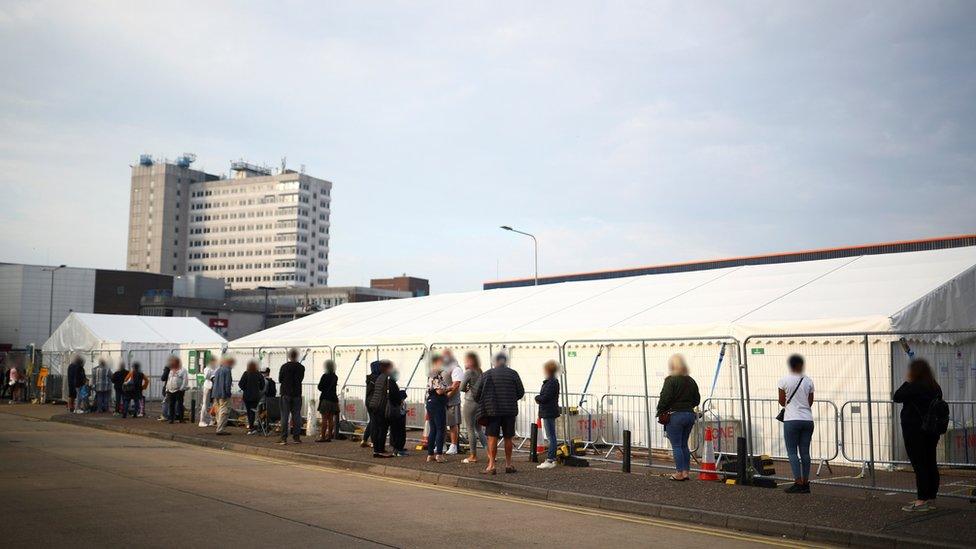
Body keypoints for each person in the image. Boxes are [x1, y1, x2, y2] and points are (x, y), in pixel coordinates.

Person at [893, 358, 944, 512]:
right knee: (930, 462)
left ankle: (922, 500)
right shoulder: (935, 386)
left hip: (915, 431)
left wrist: (908, 381)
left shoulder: (914, 387)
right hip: (931, 430)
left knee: (919, 465)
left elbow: (897, 396)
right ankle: (931, 498)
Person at [473, 352, 525, 475]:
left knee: (492, 438)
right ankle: (508, 464)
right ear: (505, 361)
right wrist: (510, 398)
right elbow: (521, 392)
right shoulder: (513, 374)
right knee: (508, 437)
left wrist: (484, 401)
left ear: (494, 362)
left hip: (492, 411)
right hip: (509, 410)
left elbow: (476, 393)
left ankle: (491, 465)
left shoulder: (487, 374)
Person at [656, 354, 700, 481]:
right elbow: (697, 399)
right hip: (689, 415)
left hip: (675, 415)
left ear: (672, 365)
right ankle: (686, 472)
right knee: (684, 444)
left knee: (676, 445)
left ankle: (679, 473)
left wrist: (660, 410)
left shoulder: (670, 380)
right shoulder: (691, 380)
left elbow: (665, 398)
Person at [778, 354, 815, 493]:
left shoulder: (783, 380)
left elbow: (782, 401)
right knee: (805, 452)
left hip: (791, 419)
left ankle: (798, 482)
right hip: (807, 419)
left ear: (790, 365)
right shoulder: (808, 380)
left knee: (792, 452)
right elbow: (810, 402)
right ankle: (806, 483)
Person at [460, 352, 488, 464]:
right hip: (479, 402)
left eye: (466, 360)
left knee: (470, 428)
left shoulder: (468, 372)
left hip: (470, 401)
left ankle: (473, 455)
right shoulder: (480, 371)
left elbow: (461, 387)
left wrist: (466, 389)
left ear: (470, 361)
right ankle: (490, 454)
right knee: (479, 429)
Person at [535, 360, 561, 470]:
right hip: (549, 411)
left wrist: (537, 398)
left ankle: (551, 459)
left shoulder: (550, 382)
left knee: (551, 436)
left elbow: (545, 397)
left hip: (548, 411)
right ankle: (551, 458)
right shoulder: (552, 382)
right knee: (551, 436)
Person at [367, 360, 395, 458]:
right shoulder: (387, 379)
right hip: (382, 406)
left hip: (374, 404)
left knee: (376, 428)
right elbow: (393, 393)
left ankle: (377, 450)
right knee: (382, 429)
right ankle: (380, 450)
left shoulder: (379, 377)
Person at [278, 349, 305, 444]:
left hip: (286, 393)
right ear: (297, 356)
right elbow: (301, 379)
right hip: (297, 393)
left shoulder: (284, 367)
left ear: (289, 356)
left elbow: (280, 379)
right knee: (296, 416)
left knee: (284, 416)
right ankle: (296, 437)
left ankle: (283, 438)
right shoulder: (301, 367)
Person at [425, 354, 449, 462]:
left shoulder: (432, 374)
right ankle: (439, 454)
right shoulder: (436, 375)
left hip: (431, 403)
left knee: (433, 429)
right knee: (440, 428)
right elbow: (439, 391)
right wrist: (449, 388)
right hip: (437, 403)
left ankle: (430, 454)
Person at [443, 349, 465, 455]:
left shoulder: (456, 369)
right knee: (441, 423)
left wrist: (447, 397)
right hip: (442, 401)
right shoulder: (443, 367)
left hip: (451, 401)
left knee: (453, 424)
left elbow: (456, 385)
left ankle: (454, 445)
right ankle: (442, 444)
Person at [238, 360, 266, 434]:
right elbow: (263, 385)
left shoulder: (246, 373)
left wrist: (245, 389)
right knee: (253, 411)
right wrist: (258, 389)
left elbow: (240, 384)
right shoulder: (258, 374)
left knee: (248, 411)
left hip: (247, 395)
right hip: (255, 396)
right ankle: (252, 427)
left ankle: (251, 426)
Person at [316, 360, 339, 442]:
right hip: (333, 399)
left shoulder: (324, 376)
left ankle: (322, 437)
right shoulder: (335, 377)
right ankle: (329, 436)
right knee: (331, 419)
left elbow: (320, 387)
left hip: (325, 399)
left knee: (324, 419)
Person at [388, 366, 408, 456]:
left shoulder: (390, 383)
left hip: (393, 410)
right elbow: (395, 398)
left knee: (395, 429)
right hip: (395, 410)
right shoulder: (392, 384)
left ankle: (397, 447)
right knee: (399, 430)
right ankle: (398, 449)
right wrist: (401, 396)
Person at [361, 361, 381, 448]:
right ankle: (373, 441)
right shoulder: (377, 378)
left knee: (372, 421)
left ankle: (364, 439)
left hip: (368, 401)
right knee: (374, 422)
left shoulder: (370, 378)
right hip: (374, 402)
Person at [212, 356, 234, 435]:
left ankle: (218, 426)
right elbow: (227, 383)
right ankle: (220, 429)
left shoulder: (218, 370)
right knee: (224, 411)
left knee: (218, 411)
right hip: (223, 394)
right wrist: (228, 393)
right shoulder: (227, 370)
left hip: (215, 393)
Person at [163, 357, 188, 424]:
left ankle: (181, 418)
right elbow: (169, 379)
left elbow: (185, 380)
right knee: (171, 404)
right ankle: (171, 419)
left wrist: (181, 389)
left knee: (180, 404)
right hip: (170, 390)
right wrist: (167, 388)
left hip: (178, 390)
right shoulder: (171, 370)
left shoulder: (183, 370)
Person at [198, 356, 217, 427]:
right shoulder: (207, 368)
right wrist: (212, 376)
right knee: (205, 404)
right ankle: (202, 421)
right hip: (207, 387)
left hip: (214, 387)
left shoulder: (216, 368)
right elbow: (206, 376)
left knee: (213, 405)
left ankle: (211, 420)